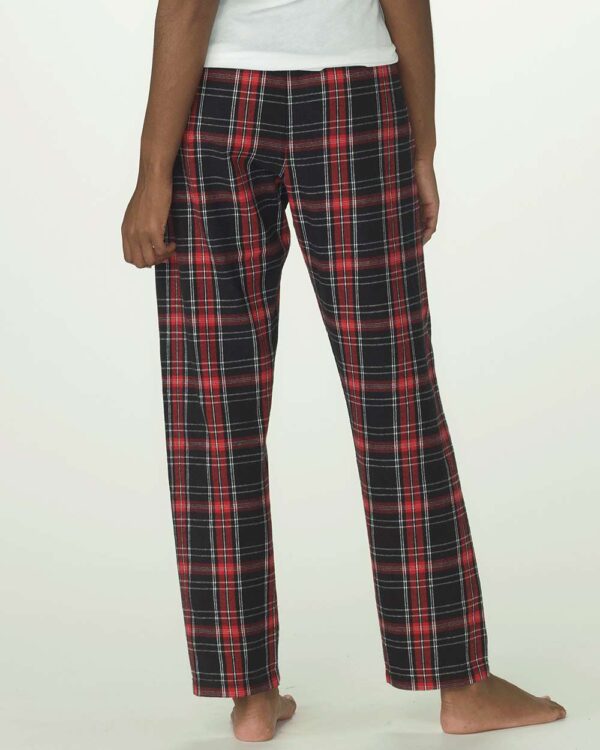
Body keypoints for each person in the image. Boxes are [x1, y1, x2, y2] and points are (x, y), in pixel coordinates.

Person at [121, 0, 566, 741]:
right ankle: (460, 682)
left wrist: (152, 172)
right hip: (354, 101)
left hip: (217, 105)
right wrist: (422, 145)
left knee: (214, 408)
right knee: (395, 396)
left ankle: (249, 694)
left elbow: (191, 5)